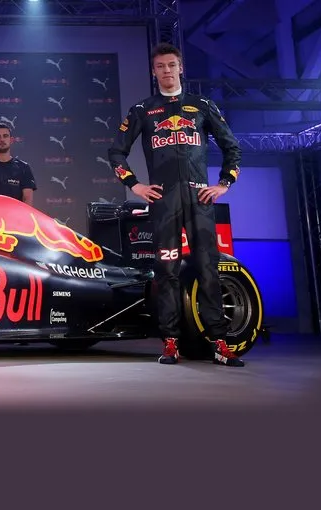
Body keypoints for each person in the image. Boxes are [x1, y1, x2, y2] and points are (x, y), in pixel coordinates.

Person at [107, 42, 244, 367]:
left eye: (171, 65)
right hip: (164, 202)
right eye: (160, 66)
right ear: (154, 72)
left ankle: (220, 343)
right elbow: (116, 152)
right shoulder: (143, 110)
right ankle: (170, 342)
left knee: (208, 269)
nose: (166, 71)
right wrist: (135, 184)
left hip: (199, 200)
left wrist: (224, 184)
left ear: (180, 68)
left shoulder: (202, 105)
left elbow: (232, 147)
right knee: (166, 272)